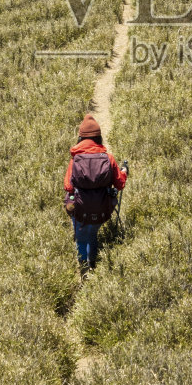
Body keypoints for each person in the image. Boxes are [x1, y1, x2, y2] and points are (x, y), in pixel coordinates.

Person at [63, 114, 128, 273]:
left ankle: (84, 268)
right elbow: (120, 184)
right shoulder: (109, 158)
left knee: (81, 238)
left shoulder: (75, 159)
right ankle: (93, 264)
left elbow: (68, 187)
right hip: (101, 209)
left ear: (80, 138)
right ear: (98, 137)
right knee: (93, 234)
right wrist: (124, 172)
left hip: (80, 210)